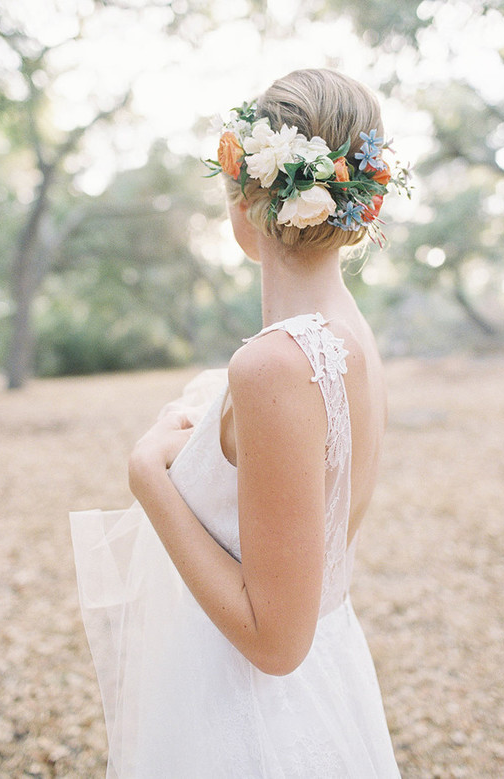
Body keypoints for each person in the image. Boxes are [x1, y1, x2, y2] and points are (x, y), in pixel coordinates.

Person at [71, 68, 406, 777]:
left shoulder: (276, 365)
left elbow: (276, 641)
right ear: (359, 202)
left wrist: (148, 477)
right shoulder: (349, 335)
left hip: (252, 721)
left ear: (247, 190)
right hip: (326, 683)